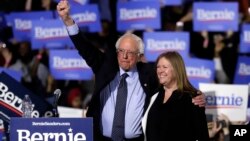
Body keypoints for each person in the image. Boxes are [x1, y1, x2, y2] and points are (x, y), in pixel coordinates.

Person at [57, 1, 206, 141]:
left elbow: (173, 79)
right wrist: (68, 20)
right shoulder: (105, 66)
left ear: (139, 56)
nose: (125, 56)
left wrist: (196, 95)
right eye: (121, 51)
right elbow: (85, 48)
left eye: (130, 52)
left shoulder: (149, 73)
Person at [142, 51, 209, 141]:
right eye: (158, 67)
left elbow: (202, 135)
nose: (160, 70)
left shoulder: (193, 98)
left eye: (165, 67)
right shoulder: (154, 95)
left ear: (177, 69)